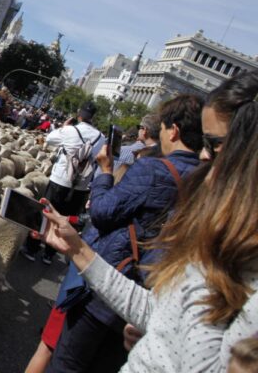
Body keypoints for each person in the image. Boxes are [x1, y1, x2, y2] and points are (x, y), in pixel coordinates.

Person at [45, 95, 203, 373]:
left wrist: (106, 172)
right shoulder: (209, 179)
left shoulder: (154, 168)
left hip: (112, 284)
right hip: (152, 296)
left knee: (68, 363)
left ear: (174, 130)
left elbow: (104, 213)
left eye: (164, 128)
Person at [23, 101, 102, 265]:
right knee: (65, 221)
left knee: (45, 213)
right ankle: (50, 254)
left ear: (79, 115)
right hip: (81, 187)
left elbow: (49, 139)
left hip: (60, 181)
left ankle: (31, 248)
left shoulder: (70, 130)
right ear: (93, 118)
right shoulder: (101, 138)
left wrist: (64, 126)